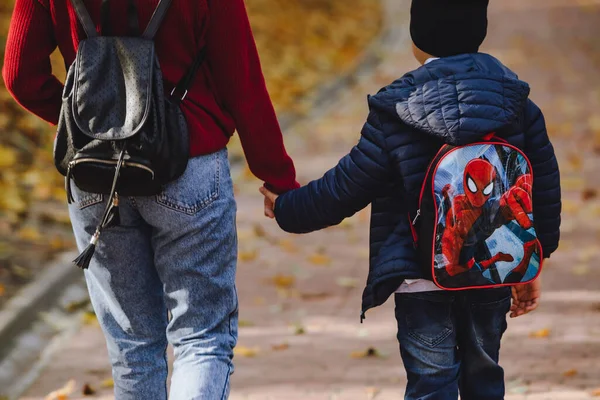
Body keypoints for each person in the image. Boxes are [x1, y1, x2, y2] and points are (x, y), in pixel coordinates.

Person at [260, 0, 561, 398]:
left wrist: (286, 208)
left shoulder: (396, 109)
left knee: (430, 383)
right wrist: (534, 259)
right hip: (489, 272)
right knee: (485, 377)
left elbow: (345, 187)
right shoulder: (517, 103)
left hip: (419, 277)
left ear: (417, 38)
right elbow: (544, 189)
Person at [3, 0, 299, 399]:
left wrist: (93, 128)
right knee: (201, 337)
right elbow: (241, 83)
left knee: (132, 347)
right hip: (188, 163)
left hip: (96, 176)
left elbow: (20, 76)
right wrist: (277, 177)